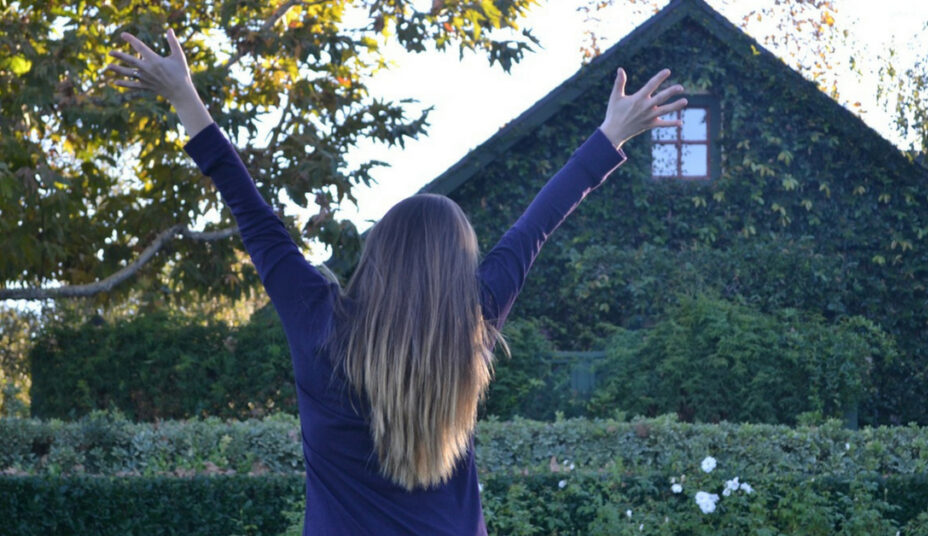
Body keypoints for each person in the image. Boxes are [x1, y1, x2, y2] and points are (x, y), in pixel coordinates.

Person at [108, 28, 688, 536]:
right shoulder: (472, 322)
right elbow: (534, 227)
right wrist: (611, 134)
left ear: (378, 252)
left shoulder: (319, 321)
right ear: (458, 271)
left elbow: (252, 214)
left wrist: (184, 94)